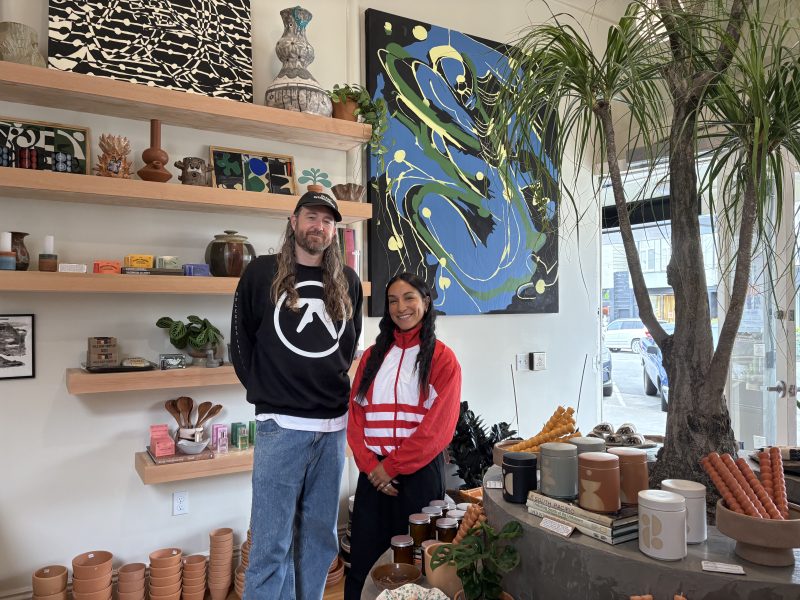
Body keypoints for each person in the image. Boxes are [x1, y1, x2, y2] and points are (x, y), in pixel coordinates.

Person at [230, 190, 362, 600]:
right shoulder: (261, 274)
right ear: (294, 221)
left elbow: (347, 347)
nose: (318, 226)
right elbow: (241, 344)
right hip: (281, 426)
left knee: (320, 541)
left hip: (332, 429)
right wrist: (268, 391)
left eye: (327, 220)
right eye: (311, 217)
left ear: (334, 230)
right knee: (271, 544)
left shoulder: (348, 282)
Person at [344, 272, 462, 599]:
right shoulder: (372, 358)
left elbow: (437, 429)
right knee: (364, 562)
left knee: (419, 567)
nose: (401, 307)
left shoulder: (442, 358)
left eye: (409, 298)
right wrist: (372, 467)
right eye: (393, 301)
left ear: (426, 302)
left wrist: (391, 467)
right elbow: (356, 417)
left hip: (419, 477)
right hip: (373, 476)